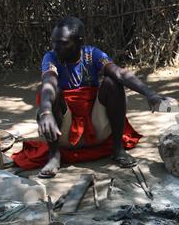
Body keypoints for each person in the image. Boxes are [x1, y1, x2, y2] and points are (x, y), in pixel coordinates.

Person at [16, 16, 167, 178]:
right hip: (63, 133)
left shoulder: (92, 54)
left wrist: (150, 94)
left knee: (112, 83)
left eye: (62, 43)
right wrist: (45, 112)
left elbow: (119, 72)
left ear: (79, 42)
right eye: (54, 42)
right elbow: (49, 83)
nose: (56, 47)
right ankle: (54, 155)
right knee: (50, 92)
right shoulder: (51, 57)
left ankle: (117, 149)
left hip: (97, 129)